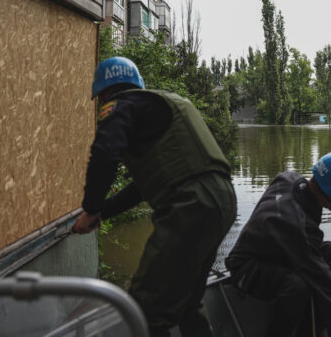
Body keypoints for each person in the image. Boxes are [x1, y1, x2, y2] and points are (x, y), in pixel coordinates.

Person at [72, 56, 237, 337]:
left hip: (191, 205)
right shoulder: (165, 105)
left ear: (104, 94)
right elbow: (141, 188)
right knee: (187, 302)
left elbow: (104, 153)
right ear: (137, 82)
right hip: (221, 201)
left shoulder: (121, 104)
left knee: (143, 311)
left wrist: (90, 207)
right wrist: (103, 212)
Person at [224, 152, 331, 337]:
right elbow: (323, 283)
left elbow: (302, 243)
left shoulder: (288, 178)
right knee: (297, 286)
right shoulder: (299, 227)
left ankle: (309, 331)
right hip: (248, 267)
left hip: (282, 252)